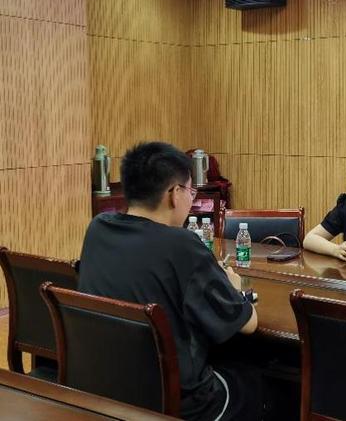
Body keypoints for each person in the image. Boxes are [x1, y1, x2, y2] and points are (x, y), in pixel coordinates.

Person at [78, 142, 259, 421]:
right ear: (174, 194)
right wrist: (235, 287)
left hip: (108, 387)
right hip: (175, 402)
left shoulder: (98, 228)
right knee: (259, 383)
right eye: (190, 191)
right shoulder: (182, 245)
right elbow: (248, 324)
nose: (191, 199)